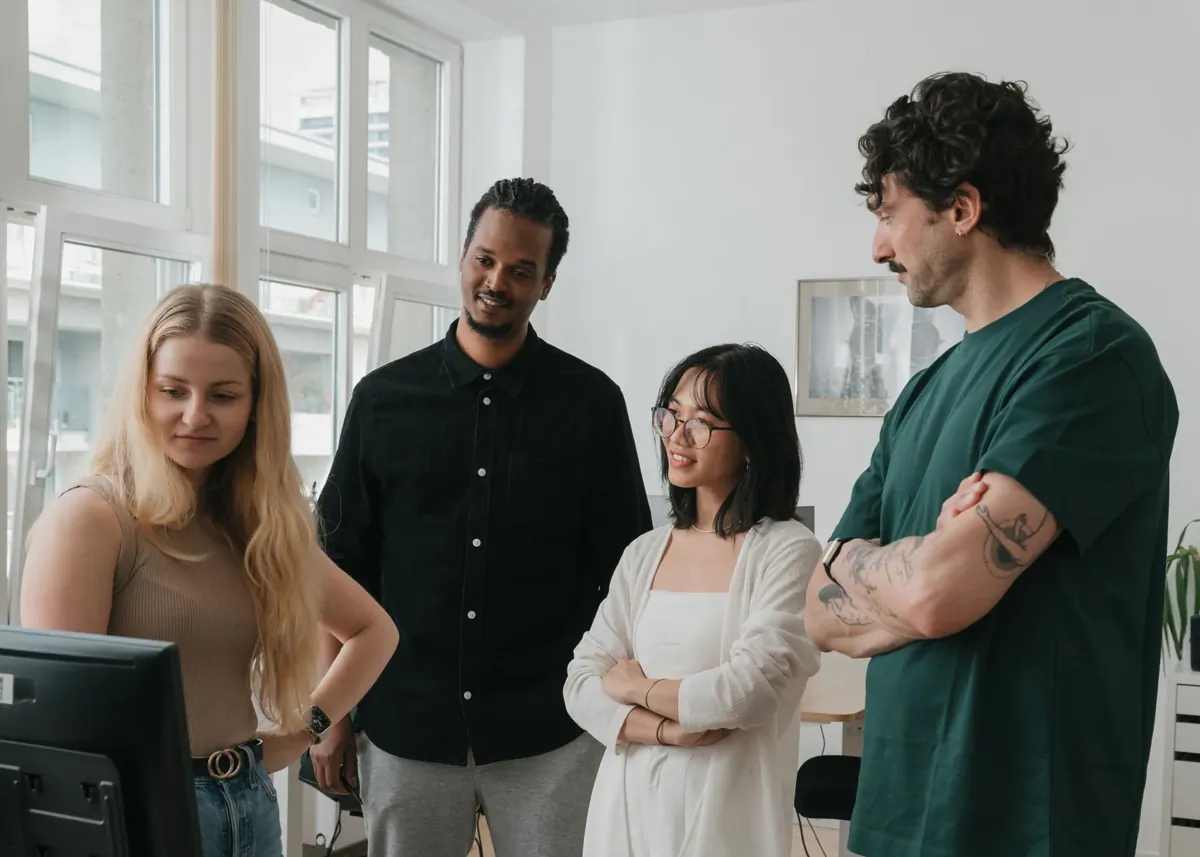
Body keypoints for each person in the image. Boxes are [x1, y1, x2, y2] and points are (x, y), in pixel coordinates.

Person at [803, 71, 1179, 857]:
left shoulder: (1093, 355)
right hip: (895, 817)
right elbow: (816, 605)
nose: (878, 246)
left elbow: (939, 595)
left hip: (1026, 826)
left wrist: (880, 569)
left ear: (963, 209)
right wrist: (911, 562)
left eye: (889, 215)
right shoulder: (919, 395)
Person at [312, 177, 652, 857]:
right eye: (485, 260)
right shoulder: (381, 400)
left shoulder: (591, 404)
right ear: (463, 256)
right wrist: (329, 716)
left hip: (550, 731)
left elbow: (626, 574)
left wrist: (620, 708)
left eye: (521, 269)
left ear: (547, 282)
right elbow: (336, 568)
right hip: (405, 723)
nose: (497, 281)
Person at [19, 284, 399, 857]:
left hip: (249, 802)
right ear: (143, 393)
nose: (194, 416)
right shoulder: (91, 519)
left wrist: (302, 732)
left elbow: (375, 631)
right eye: (172, 390)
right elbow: (59, 734)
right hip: (143, 809)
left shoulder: (256, 525)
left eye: (222, 395)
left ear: (255, 405)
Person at [565, 343, 822, 857]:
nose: (676, 438)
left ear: (752, 439)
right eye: (671, 416)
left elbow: (746, 693)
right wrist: (666, 731)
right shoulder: (644, 552)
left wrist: (636, 686)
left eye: (701, 422)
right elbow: (580, 685)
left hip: (726, 820)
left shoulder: (788, 549)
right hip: (624, 812)